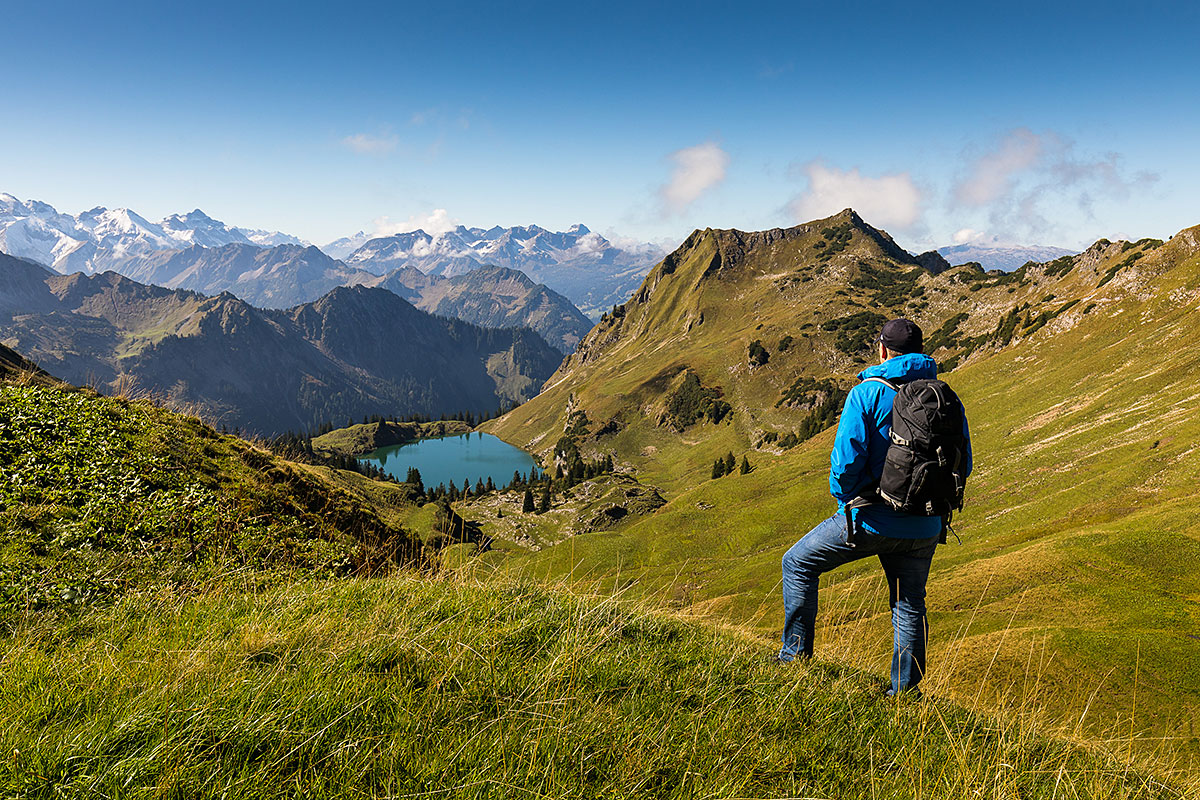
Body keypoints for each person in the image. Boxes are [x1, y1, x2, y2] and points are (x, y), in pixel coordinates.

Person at [777, 318, 972, 696]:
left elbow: (845, 463)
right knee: (909, 601)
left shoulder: (867, 392)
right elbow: (963, 461)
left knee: (797, 563)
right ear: (920, 353)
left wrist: (847, 501)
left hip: (870, 519)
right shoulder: (946, 397)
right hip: (927, 523)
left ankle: (794, 658)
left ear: (882, 350)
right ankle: (905, 694)